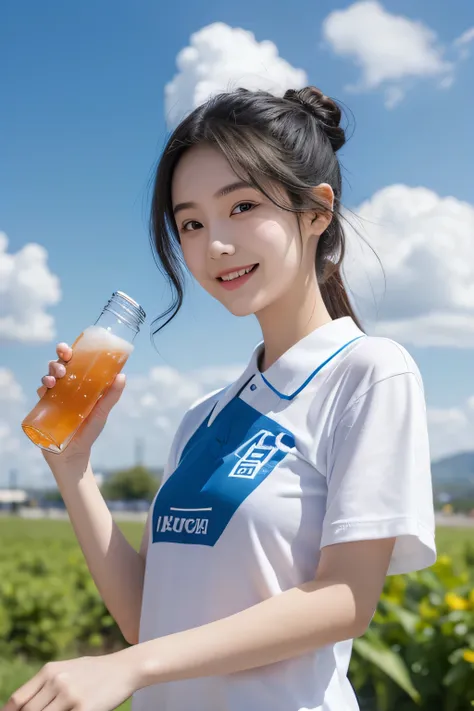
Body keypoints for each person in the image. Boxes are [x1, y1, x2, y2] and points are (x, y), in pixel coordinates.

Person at [6, 86, 436, 711]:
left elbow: (346, 597)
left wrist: (130, 668)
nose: (216, 245)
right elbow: (147, 619)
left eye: (241, 206)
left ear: (317, 211)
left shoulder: (369, 373)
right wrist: (72, 470)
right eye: (191, 223)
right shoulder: (201, 417)